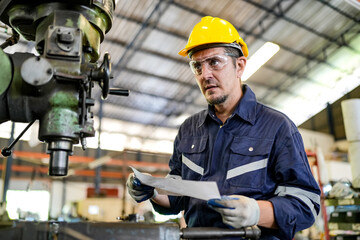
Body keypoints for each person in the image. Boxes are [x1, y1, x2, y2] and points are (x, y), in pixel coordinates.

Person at [127, 16, 321, 239]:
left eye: (214, 62)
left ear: (239, 66)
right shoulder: (189, 130)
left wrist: (257, 212)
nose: (205, 74)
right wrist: (152, 191)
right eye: (197, 66)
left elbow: (306, 204)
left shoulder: (277, 127)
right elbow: (178, 196)